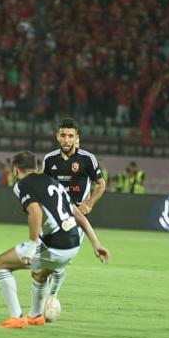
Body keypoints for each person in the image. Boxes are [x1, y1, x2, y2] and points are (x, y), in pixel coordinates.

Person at [0, 151, 109, 328]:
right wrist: (96, 243)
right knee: (39, 275)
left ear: (15, 171)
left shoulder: (21, 185)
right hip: (73, 244)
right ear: (37, 168)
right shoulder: (53, 182)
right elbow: (77, 213)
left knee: (0, 264)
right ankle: (36, 316)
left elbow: (35, 212)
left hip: (55, 245)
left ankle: (16, 318)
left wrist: (32, 246)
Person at [42, 119, 106, 302]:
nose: (66, 140)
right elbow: (43, 186)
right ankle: (47, 298)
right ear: (57, 137)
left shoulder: (87, 159)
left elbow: (101, 184)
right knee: (48, 262)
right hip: (53, 217)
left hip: (76, 218)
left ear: (77, 138)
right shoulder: (49, 160)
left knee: (59, 261)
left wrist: (90, 204)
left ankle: (51, 296)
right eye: (63, 135)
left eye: (71, 136)